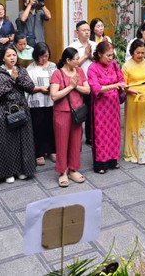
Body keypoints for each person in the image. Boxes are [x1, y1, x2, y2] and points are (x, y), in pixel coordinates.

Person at [0, 44, 36, 183]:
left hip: (22, 107)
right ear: (3, 58)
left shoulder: (21, 69)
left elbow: (31, 87)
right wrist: (12, 79)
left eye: (14, 55)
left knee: (23, 140)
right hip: (5, 109)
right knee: (7, 141)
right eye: (9, 55)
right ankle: (8, 172)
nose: (12, 58)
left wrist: (18, 78)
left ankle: (22, 169)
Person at [49, 47, 90, 187]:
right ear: (67, 60)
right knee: (61, 143)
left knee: (76, 142)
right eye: (76, 59)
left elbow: (87, 89)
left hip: (77, 112)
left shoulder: (79, 71)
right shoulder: (57, 73)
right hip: (62, 113)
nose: (78, 61)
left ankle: (73, 169)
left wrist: (76, 86)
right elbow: (54, 95)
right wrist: (70, 87)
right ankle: (62, 172)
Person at [87, 41, 126, 174]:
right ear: (99, 54)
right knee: (101, 133)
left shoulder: (114, 64)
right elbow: (95, 88)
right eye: (108, 55)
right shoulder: (93, 68)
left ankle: (113, 159)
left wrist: (123, 85)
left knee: (114, 131)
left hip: (113, 104)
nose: (111, 58)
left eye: (112, 55)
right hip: (100, 105)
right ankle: (100, 163)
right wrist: (113, 86)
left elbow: (121, 78)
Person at [122, 39, 145, 164]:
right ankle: (134, 152)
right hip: (133, 98)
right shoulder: (127, 65)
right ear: (132, 52)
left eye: (143, 53)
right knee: (134, 124)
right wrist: (132, 91)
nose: (140, 55)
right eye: (138, 53)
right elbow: (123, 85)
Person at [26, 42, 57, 166]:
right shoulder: (30, 68)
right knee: (38, 127)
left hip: (51, 101)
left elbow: (58, 81)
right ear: (36, 55)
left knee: (51, 127)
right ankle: (39, 153)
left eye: (46, 56)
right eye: (42, 56)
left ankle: (51, 150)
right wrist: (39, 88)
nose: (44, 59)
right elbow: (27, 86)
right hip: (36, 102)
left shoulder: (53, 66)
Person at [69, 21, 97, 142]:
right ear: (77, 32)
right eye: (84, 30)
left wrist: (91, 56)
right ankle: (76, 138)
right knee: (78, 111)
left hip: (93, 83)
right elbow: (72, 65)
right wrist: (85, 56)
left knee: (92, 111)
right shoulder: (72, 47)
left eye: (88, 30)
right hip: (78, 84)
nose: (87, 32)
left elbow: (100, 62)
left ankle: (90, 137)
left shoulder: (95, 45)